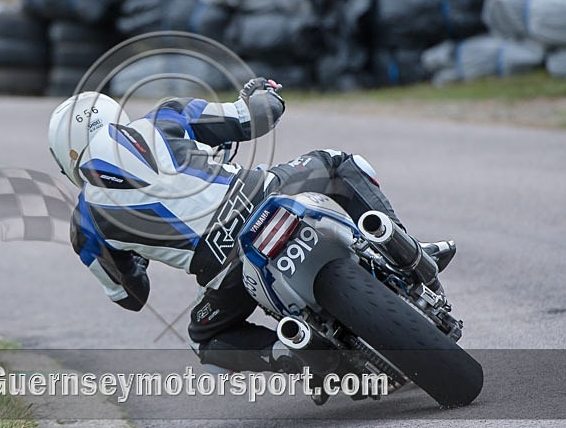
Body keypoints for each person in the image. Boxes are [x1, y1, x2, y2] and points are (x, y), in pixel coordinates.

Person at [48, 80, 456, 398]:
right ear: (116, 116)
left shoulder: (85, 225)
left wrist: (134, 253)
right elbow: (258, 115)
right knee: (337, 163)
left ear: (65, 157)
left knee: (204, 339)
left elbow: (131, 297)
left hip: (225, 264)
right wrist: (263, 91)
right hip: (265, 195)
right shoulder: (165, 117)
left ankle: (291, 356)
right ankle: (407, 249)